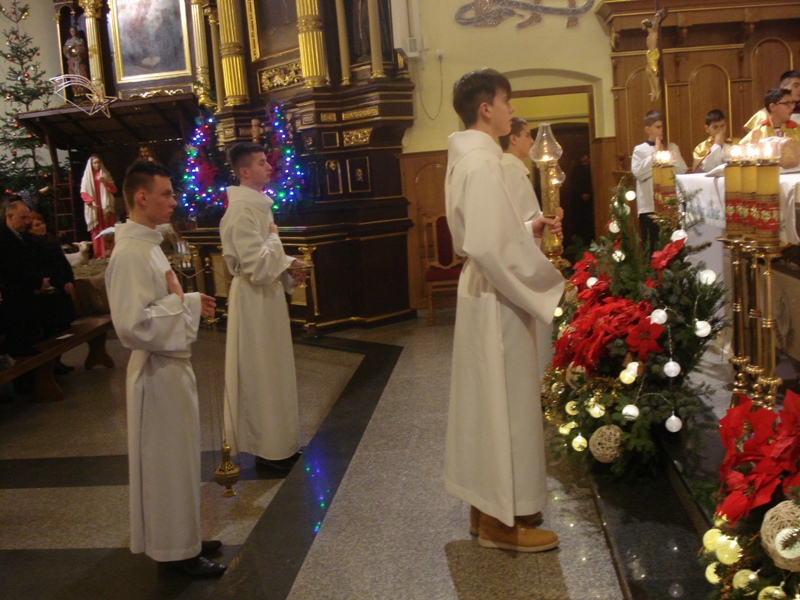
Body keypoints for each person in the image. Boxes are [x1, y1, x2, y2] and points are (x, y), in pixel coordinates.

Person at [445, 68, 565, 552]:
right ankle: (499, 522)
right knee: (505, 403)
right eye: (506, 101)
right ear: (485, 109)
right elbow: (491, 246)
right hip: (497, 292)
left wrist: (525, 229)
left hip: (487, 287)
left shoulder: (477, 158)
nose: (512, 110)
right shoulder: (480, 164)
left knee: (494, 402)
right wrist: (548, 285)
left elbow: (491, 232)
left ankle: (492, 506)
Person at [105, 160, 226, 578]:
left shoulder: (148, 245)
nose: (174, 201)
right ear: (142, 197)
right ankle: (175, 553)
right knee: (166, 466)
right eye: (167, 194)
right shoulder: (130, 253)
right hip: (155, 374)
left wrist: (187, 300)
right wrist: (183, 304)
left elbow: (160, 302)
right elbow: (131, 325)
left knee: (180, 460)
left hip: (170, 368)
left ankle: (184, 537)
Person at [220, 142, 308, 473]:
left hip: (266, 298)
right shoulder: (241, 210)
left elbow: (265, 257)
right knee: (261, 372)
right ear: (244, 171)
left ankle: (281, 445)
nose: (268, 166)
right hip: (253, 301)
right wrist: (275, 240)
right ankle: (267, 451)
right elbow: (255, 267)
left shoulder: (258, 205)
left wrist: (288, 264)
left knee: (275, 370)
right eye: (260, 163)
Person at [498, 117, 553, 382]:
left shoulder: (514, 168)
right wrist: (543, 221)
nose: (532, 141)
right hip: (525, 254)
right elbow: (520, 220)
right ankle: (540, 378)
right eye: (527, 135)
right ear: (513, 138)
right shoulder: (510, 170)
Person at [630, 110, 688, 250]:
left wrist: (670, 158)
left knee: (673, 246)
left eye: (663, 127)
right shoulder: (640, 150)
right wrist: (655, 155)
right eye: (658, 127)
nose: (662, 130)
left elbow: (682, 170)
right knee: (652, 246)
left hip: (671, 206)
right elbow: (638, 173)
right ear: (647, 129)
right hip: (649, 207)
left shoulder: (672, 147)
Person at [28, 212, 76, 372]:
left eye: (42, 223)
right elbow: (44, 269)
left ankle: (57, 360)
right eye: (37, 225)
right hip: (47, 293)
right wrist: (60, 283)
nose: (42, 227)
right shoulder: (31, 246)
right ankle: (49, 366)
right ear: (30, 230)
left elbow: (63, 262)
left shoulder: (51, 240)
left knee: (63, 328)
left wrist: (69, 280)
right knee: (49, 331)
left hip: (60, 290)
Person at [0, 199, 48, 356]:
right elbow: (10, 271)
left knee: (31, 337)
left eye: (28, 217)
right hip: (13, 297)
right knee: (18, 340)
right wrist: (37, 282)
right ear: (9, 216)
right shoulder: (3, 238)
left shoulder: (24, 236)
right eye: (23, 218)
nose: (27, 221)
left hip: (27, 294)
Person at [80, 155, 117, 259]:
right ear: (91, 164)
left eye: (98, 162)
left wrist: (104, 181)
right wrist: (91, 202)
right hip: (95, 207)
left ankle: (112, 252)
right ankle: (100, 253)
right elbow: (83, 192)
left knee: (108, 229)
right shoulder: (87, 176)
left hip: (106, 206)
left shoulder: (105, 174)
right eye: (95, 163)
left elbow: (114, 189)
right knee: (97, 229)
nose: (97, 165)